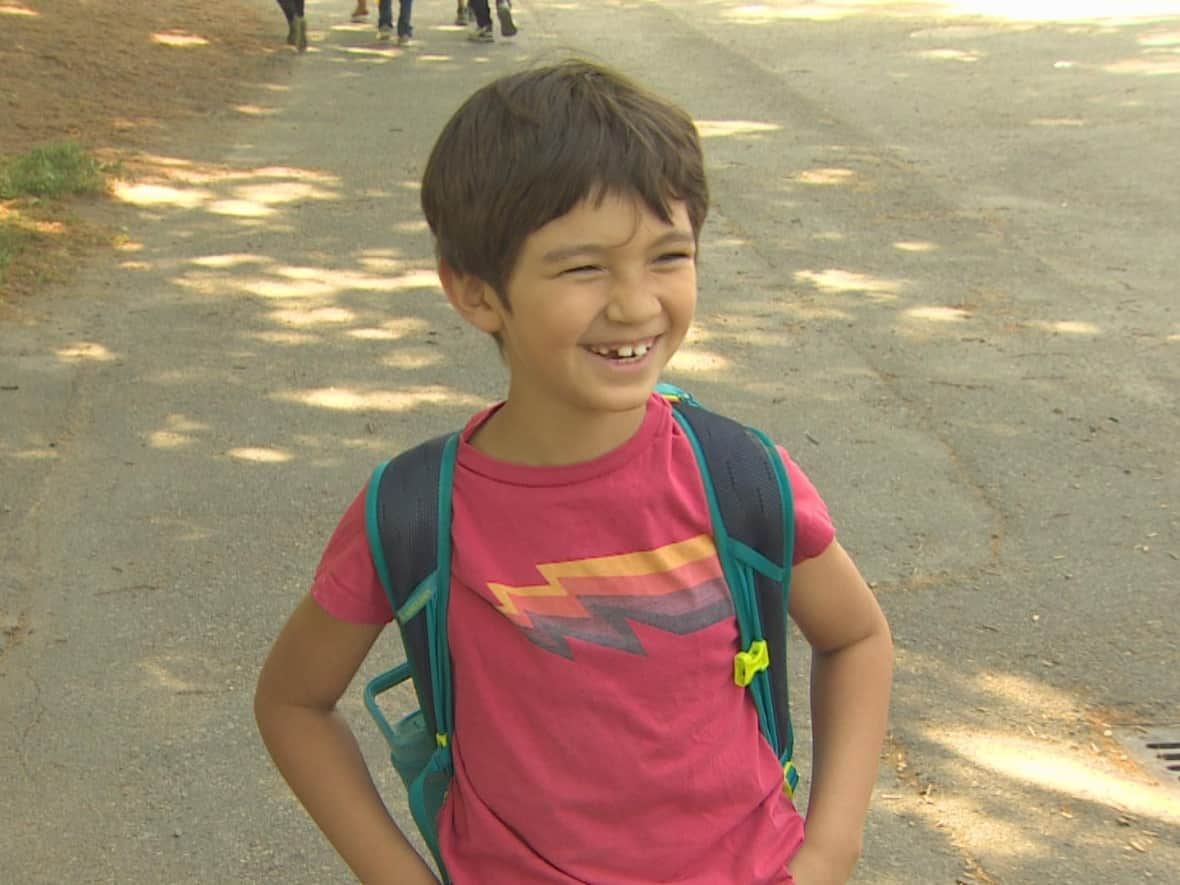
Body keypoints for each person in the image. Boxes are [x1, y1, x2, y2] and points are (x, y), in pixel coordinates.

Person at [254, 59, 893, 884]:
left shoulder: (738, 477)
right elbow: (293, 702)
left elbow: (857, 636)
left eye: (669, 255)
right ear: (477, 292)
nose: (635, 304)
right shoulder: (417, 514)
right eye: (583, 268)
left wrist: (831, 848)